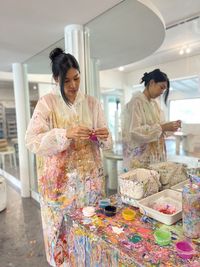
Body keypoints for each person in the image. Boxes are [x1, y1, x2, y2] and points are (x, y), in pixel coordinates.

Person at [25, 47, 112, 266]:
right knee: (62, 239)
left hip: (90, 183)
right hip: (59, 188)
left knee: (89, 234)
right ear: (56, 79)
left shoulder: (92, 104)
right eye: (66, 81)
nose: (73, 86)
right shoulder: (47, 103)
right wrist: (65, 133)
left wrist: (102, 137)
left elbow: (107, 143)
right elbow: (32, 141)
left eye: (77, 79)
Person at [122, 68, 181, 170]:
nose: (162, 92)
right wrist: (162, 127)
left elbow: (160, 126)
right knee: (143, 182)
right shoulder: (136, 102)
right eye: (161, 87)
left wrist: (170, 126)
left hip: (154, 156)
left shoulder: (154, 104)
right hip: (141, 158)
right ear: (152, 83)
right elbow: (135, 132)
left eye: (164, 90)